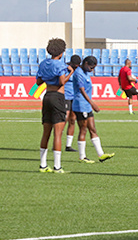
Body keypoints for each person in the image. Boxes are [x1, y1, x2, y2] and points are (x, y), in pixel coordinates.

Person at [35, 38, 74, 173]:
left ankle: (43, 165)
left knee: (46, 132)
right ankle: (57, 166)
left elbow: (39, 82)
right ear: (62, 52)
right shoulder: (60, 65)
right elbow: (62, 82)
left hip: (47, 96)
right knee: (58, 133)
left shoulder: (43, 63)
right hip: (58, 97)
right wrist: (70, 72)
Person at [72, 56, 115, 164]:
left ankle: (101, 154)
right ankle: (82, 157)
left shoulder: (86, 73)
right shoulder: (79, 73)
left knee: (93, 129)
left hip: (86, 106)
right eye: (91, 67)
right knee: (83, 129)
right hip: (81, 105)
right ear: (85, 63)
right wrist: (92, 104)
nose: (92, 70)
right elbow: (81, 90)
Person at [64, 54, 82, 153]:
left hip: (74, 97)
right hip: (65, 96)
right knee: (64, 118)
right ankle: (56, 141)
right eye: (75, 65)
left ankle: (68, 145)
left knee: (72, 119)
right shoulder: (65, 68)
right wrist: (70, 72)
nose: (76, 67)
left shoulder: (79, 70)